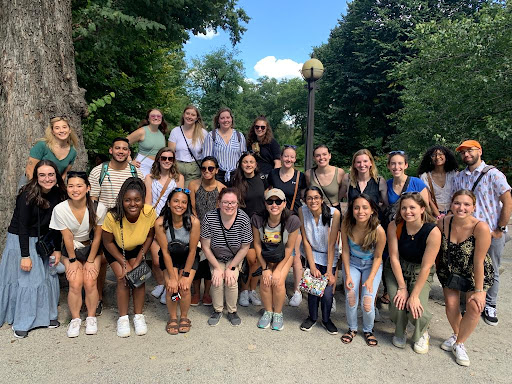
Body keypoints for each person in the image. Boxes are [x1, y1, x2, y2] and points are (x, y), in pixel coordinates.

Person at [0, 160, 66, 338]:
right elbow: (22, 226)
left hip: (45, 241)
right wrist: (25, 255)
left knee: (48, 277)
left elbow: (59, 224)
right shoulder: (27, 194)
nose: (47, 178)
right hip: (23, 240)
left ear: (56, 176)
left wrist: (57, 249)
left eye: (51, 174)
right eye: (42, 175)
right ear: (36, 177)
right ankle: (23, 321)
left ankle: (47, 316)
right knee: (29, 280)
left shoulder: (59, 193)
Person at [452, 140, 511, 326]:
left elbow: (507, 201)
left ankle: (490, 304)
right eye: (463, 152)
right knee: (469, 266)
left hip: (491, 231)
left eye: (470, 151)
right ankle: (472, 301)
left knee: (491, 267)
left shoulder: (494, 175)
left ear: (479, 151)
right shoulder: (460, 177)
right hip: (467, 232)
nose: (466, 155)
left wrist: (500, 228)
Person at [437, 190, 494, 366]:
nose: (461, 208)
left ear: (473, 207)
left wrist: (479, 291)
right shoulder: (443, 222)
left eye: (466, 204)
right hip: (450, 270)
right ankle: (457, 335)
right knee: (452, 306)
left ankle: (460, 344)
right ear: (451, 204)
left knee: (474, 307)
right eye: (457, 203)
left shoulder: (480, 227)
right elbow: (438, 249)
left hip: (474, 273)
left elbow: (479, 261)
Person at [89, 137, 143, 316]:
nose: (121, 151)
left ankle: (136, 303)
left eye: (125, 149)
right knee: (102, 260)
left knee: (134, 261)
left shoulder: (135, 172)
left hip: (131, 224)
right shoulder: (99, 171)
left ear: (129, 152)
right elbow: (93, 200)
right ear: (111, 150)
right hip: (106, 223)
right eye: (117, 148)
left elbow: (141, 198)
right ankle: (97, 297)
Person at [49, 172, 107, 337]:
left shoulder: (98, 208)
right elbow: (66, 237)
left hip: (91, 248)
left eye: (79, 185)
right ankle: (75, 319)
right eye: (71, 186)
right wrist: (73, 260)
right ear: (67, 188)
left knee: (90, 281)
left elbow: (97, 237)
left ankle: (91, 316)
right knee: (75, 282)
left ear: (88, 188)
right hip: (71, 249)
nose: (75, 190)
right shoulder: (60, 209)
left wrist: (90, 260)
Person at [384, 192, 441, 354]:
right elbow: (393, 257)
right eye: (404, 208)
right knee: (398, 302)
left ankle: (422, 332)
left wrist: (414, 295)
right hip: (397, 268)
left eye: (412, 207)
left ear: (422, 209)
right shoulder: (395, 225)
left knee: (416, 306)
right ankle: (400, 329)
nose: (407, 211)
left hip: (419, 270)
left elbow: (426, 267)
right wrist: (402, 287)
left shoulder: (433, 231)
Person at [101, 178, 156, 337]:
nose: (133, 204)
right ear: (122, 200)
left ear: (142, 200)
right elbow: (107, 242)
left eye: (137, 200)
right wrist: (124, 263)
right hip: (116, 249)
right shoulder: (113, 216)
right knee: (123, 278)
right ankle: (123, 318)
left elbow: (149, 236)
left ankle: (138, 316)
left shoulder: (149, 212)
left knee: (138, 277)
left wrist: (138, 260)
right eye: (128, 200)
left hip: (137, 247)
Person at [200, 188, 252, 327]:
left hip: (235, 256)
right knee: (216, 279)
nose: (229, 205)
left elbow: (245, 247)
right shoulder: (209, 217)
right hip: (215, 255)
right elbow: (205, 246)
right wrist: (217, 267)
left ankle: (232, 311)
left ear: (237, 204)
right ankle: (217, 310)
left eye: (233, 202)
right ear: (219, 203)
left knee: (231, 279)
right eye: (225, 202)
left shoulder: (243, 218)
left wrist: (231, 267)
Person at [340, 194, 386, 346]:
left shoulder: (378, 230)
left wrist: (371, 279)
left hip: (371, 265)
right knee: (351, 296)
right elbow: (345, 251)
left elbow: (379, 257)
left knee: (367, 301)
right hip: (352, 263)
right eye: (356, 207)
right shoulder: (347, 226)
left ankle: (368, 330)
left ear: (372, 210)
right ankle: (352, 328)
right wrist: (347, 275)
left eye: (365, 207)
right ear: (352, 210)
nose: (361, 211)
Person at [252, 189, 300, 330]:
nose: (274, 205)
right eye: (270, 201)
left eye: (278, 201)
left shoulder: (292, 220)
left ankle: (278, 313)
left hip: (284, 255)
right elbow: (257, 244)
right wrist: (266, 268)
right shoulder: (258, 219)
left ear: (284, 203)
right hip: (266, 255)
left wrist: (278, 270)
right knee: (265, 281)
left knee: (277, 281)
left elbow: (290, 247)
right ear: (265, 204)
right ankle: (268, 311)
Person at [155, 188, 200, 334]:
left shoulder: (194, 222)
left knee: (184, 287)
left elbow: (193, 250)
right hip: (170, 256)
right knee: (172, 286)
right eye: (175, 201)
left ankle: (184, 317)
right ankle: (173, 317)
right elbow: (165, 252)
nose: (179, 205)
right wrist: (173, 277)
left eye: (183, 202)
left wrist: (185, 275)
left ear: (187, 205)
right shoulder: (160, 223)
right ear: (168, 203)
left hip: (188, 257)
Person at [267, 145, 307, 307]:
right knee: (274, 250)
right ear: (281, 157)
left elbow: (305, 196)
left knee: (295, 255)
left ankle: (297, 291)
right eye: (286, 156)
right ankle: (275, 282)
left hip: (293, 219)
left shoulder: (300, 176)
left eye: (292, 157)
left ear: (295, 159)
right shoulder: (273, 174)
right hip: (275, 219)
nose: (288, 159)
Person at [144, 147, 184, 305]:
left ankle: (169, 287)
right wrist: (148, 221)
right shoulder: (149, 177)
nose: (167, 161)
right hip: (155, 220)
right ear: (158, 160)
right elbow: (148, 201)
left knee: (170, 258)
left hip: (172, 220)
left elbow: (181, 199)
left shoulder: (178, 178)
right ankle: (161, 283)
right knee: (155, 259)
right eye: (164, 158)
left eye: (170, 158)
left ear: (173, 161)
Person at [299, 186, 341, 335]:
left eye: (316, 197)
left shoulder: (333, 214)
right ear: (305, 200)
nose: (313, 201)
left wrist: (330, 271)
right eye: (309, 198)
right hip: (312, 254)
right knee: (313, 288)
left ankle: (326, 319)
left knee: (328, 291)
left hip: (329, 255)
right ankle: (312, 317)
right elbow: (305, 241)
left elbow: (331, 244)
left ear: (322, 199)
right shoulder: (302, 211)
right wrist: (312, 266)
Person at [189, 156, 226, 306]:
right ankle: (196, 292)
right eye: (203, 168)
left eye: (211, 168)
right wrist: (197, 229)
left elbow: (222, 211)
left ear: (216, 170)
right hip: (196, 227)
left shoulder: (221, 188)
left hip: (214, 229)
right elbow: (192, 208)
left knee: (211, 261)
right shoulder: (193, 185)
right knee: (196, 261)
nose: (207, 171)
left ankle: (207, 293)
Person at [232, 152, 267, 307]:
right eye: (245, 161)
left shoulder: (262, 179)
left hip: (260, 223)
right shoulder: (235, 180)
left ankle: (252, 289)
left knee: (258, 259)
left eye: (251, 162)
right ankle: (244, 290)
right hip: (243, 223)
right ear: (241, 164)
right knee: (248, 258)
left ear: (256, 164)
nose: (248, 164)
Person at [25, 116, 78, 181]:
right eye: (57, 128)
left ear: (69, 130)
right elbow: (30, 169)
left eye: (64, 127)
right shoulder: (42, 145)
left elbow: (63, 175)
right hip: (32, 183)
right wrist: (35, 188)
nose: (61, 131)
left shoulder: (72, 152)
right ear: (53, 132)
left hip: (50, 185)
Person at [203, 108, 247, 186]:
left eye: (228, 117)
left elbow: (244, 158)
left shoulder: (239, 136)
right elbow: (206, 159)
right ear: (218, 120)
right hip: (217, 176)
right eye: (222, 118)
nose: (225, 120)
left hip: (236, 175)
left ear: (231, 119)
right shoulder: (211, 136)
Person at [168, 105, 208, 187]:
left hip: (194, 169)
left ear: (197, 118)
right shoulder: (175, 131)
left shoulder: (203, 133)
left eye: (193, 115)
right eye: (187, 113)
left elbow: (206, 154)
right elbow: (170, 153)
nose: (189, 116)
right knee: (176, 193)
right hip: (178, 166)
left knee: (189, 194)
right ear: (183, 115)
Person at [418, 145, 459, 217]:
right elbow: (428, 199)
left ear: (446, 156)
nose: (437, 157)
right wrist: (438, 216)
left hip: (454, 212)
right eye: (433, 155)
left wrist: (450, 213)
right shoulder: (425, 176)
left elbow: (458, 194)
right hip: (433, 214)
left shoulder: (454, 174)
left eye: (440, 154)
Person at [127, 108, 168, 178]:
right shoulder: (142, 131)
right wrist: (129, 161)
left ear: (161, 119)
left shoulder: (162, 134)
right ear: (148, 119)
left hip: (156, 167)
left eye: (158, 116)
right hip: (142, 165)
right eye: (153, 116)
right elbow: (123, 143)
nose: (156, 118)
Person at [305, 144, 345, 210]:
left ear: (329, 155)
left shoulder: (339, 173)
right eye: (318, 155)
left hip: (333, 211)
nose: (321, 158)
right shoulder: (309, 174)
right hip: (315, 211)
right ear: (314, 158)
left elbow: (343, 192)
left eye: (324, 154)